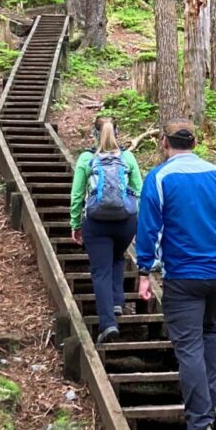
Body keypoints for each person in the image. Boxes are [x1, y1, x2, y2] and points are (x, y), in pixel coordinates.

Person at [135, 120, 216, 430]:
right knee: (210, 329)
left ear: (164, 143)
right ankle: (213, 403)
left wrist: (145, 271)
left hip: (184, 275)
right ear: (195, 142)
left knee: (189, 345)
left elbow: (149, 228)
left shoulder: (160, 177)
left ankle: (199, 427)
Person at [71, 116, 143, 345]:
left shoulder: (86, 158)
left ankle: (108, 324)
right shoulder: (128, 157)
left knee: (100, 270)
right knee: (118, 258)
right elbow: (139, 191)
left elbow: (76, 195)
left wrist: (75, 224)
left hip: (97, 222)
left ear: (94, 133)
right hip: (125, 221)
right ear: (117, 132)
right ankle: (117, 302)